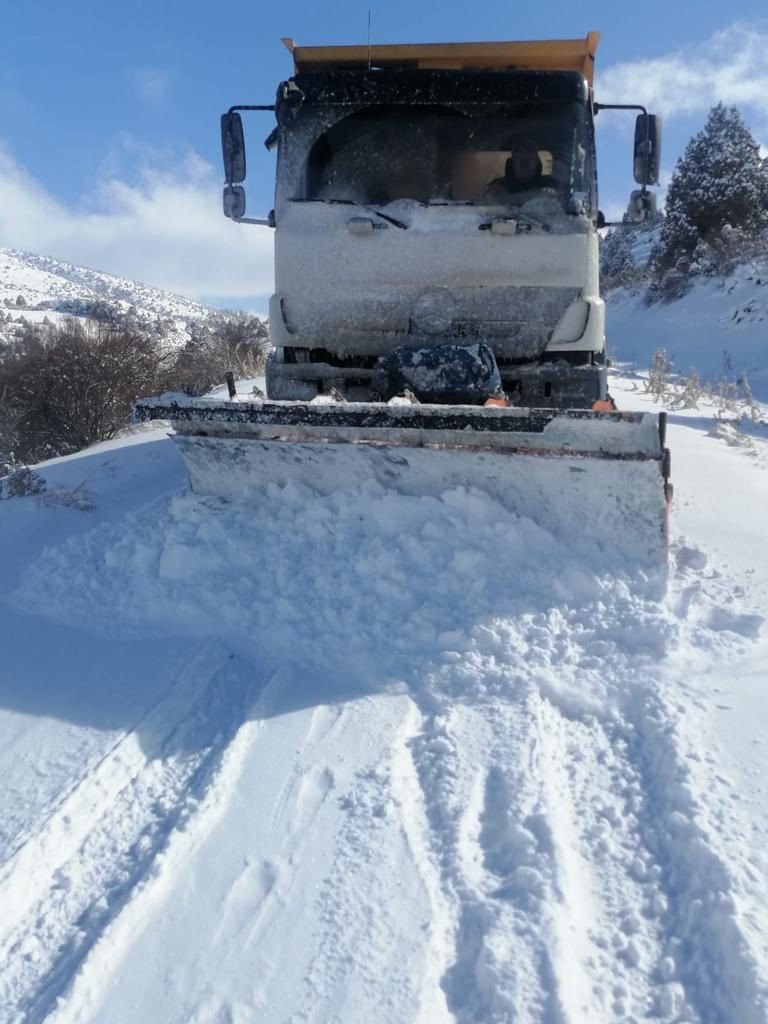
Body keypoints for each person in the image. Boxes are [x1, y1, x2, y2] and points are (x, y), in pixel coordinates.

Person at [485, 138, 558, 202]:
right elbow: (489, 201)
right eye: (518, 151)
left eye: (529, 149)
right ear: (512, 160)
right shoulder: (498, 185)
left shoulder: (550, 184)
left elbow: (554, 198)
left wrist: (506, 198)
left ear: (537, 160)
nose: (524, 154)